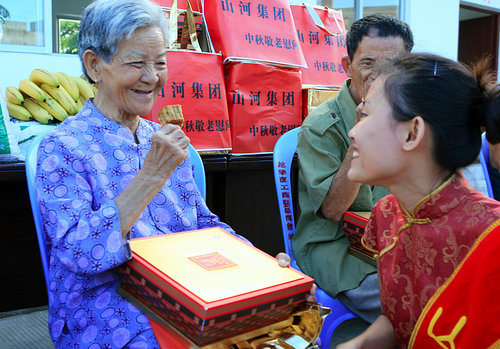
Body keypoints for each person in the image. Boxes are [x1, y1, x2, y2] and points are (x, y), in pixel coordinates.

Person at [35, 0, 248, 347]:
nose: (152, 78)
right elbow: (79, 253)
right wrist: (150, 175)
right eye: (137, 63)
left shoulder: (162, 140)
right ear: (94, 65)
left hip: (181, 284)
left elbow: (205, 226)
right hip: (107, 296)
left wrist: (256, 263)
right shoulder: (62, 147)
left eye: (160, 64)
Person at [340, 53, 500, 348]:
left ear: (412, 133)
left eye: (364, 115)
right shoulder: (387, 212)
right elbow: (401, 319)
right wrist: (359, 344)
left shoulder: (492, 237)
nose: (353, 131)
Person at [292, 14, 414, 328]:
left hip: (396, 246)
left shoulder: (410, 120)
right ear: (347, 67)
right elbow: (333, 209)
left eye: (394, 65)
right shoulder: (322, 126)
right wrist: (362, 131)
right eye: (368, 63)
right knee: (416, 304)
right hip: (338, 250)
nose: (381, 75)